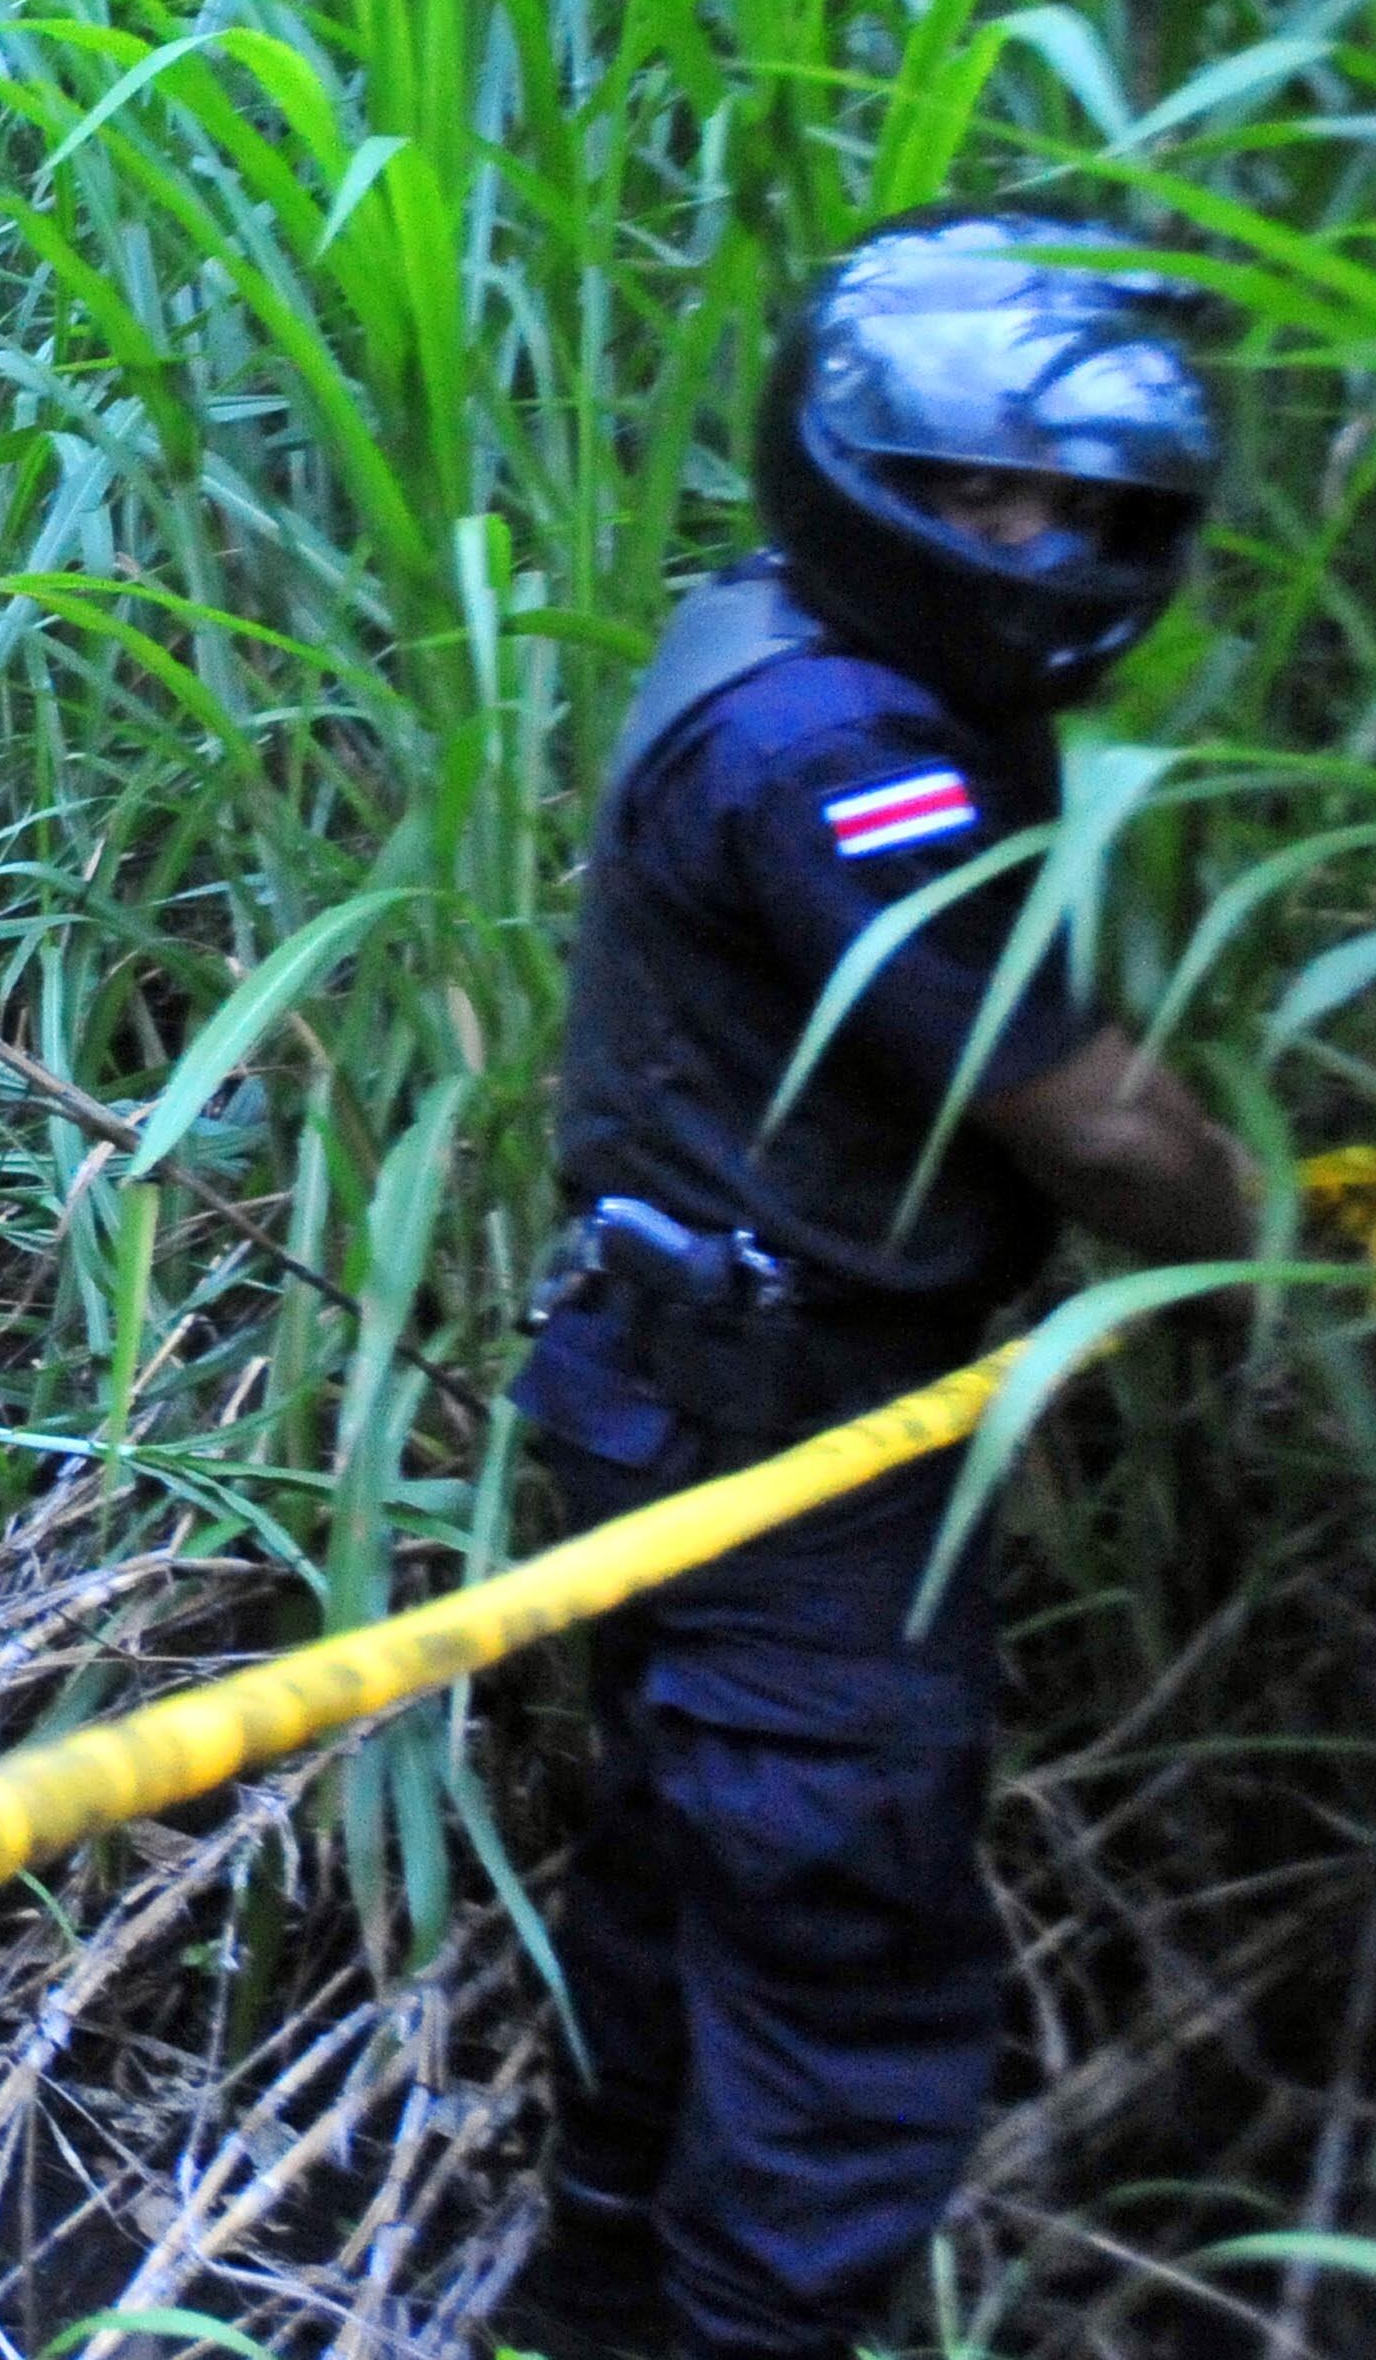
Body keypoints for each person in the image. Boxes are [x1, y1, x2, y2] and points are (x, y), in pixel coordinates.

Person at [508, 211, 1263, 2359]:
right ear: (861, 473)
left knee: (684, 1887)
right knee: (836, 1966)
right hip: (789, 1437)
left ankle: (590, 2313)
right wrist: (1265, 1269)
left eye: (1070, 504)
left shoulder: (781, 639)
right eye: (968, 496)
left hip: (678, 1382)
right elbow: (1096, 1125)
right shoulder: (849, 754)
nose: (1027, 546)